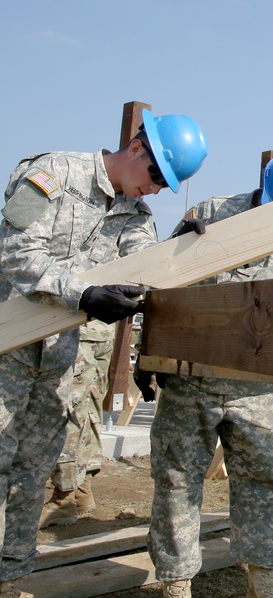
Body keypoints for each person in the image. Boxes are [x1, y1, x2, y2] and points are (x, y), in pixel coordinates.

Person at [0, 110, 209, 595]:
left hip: (57, 364)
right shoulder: (53, 173)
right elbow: (13, 255)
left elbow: (140, 275)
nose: (156, 189)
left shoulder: (135, 215)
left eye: (167, 185)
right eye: (157, 175)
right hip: (8, 352)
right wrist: (80, 294)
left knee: (33, 473)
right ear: (136, 149)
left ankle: (10, 578)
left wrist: (176, 251)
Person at [146, 151, 273, 598]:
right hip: (191, 381)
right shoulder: (211, 214)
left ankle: (262, 581)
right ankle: (175, 583)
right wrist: (149, 356)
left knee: (264, 481)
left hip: (257, 390)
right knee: (176, 479)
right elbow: (158, 284)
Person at [38, 319, 115, 528]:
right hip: (102, 327)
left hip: (78, 326)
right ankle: (82, 490)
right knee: (89, 406)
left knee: (69, 412)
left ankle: (63, 499)